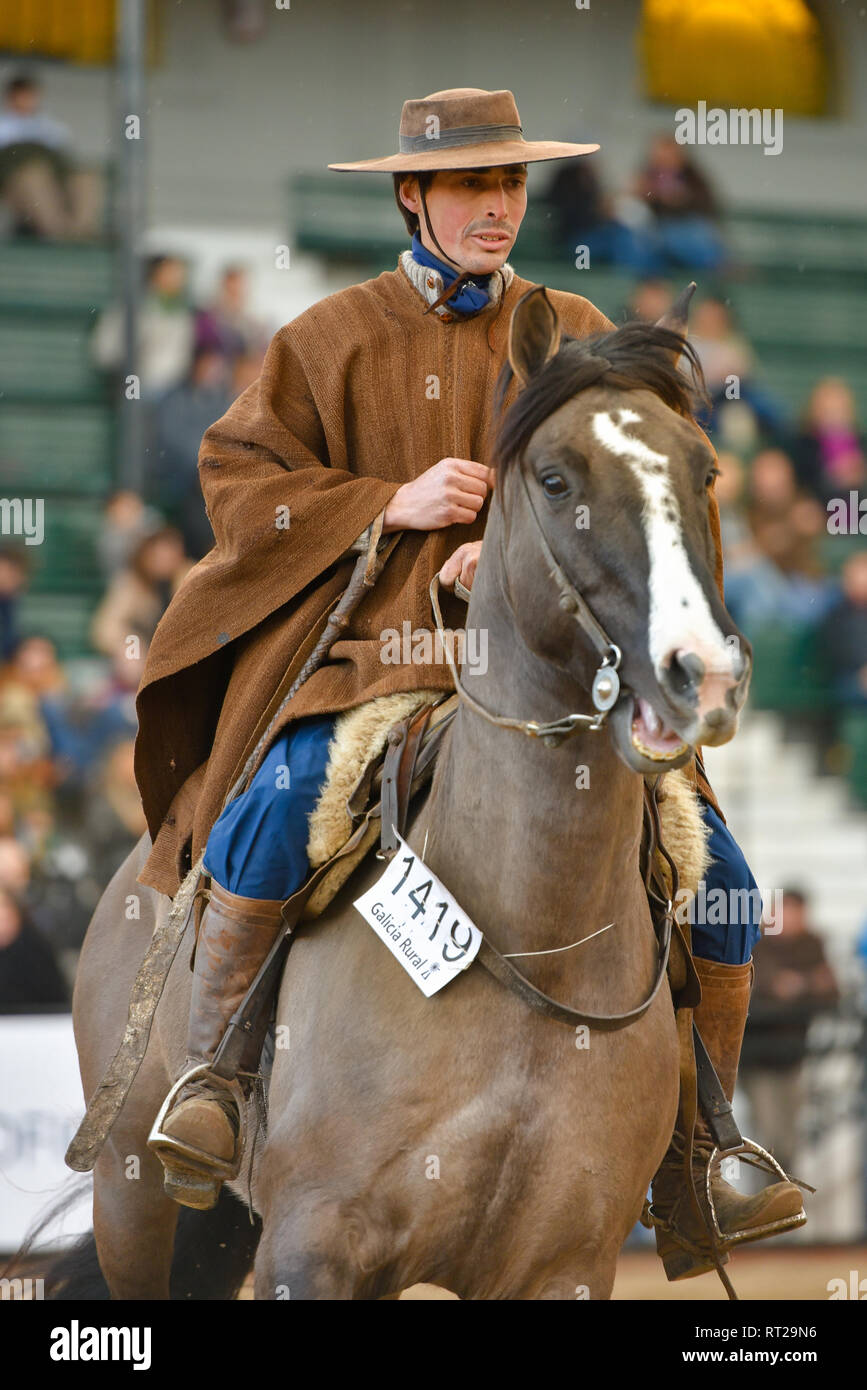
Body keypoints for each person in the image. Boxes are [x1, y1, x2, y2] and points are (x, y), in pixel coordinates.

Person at [134, 87, 803, 1274]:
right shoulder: (329, 335)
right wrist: (383, 505)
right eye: (470, 185)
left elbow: (642, 489)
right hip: (380, 667)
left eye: (510, 184)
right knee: (283, 807)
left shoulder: (576, 328)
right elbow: (239, 478)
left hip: (557, 685)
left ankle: (705, 1143)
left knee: (718, 870)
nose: (497, 206)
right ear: (414, 194)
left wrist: (525, 553)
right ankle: (219, 1083)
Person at [739, 890, 839, 1175]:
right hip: (757, 1060)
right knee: (768, 1138)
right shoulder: (755, 943)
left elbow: (830, 989)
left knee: (789, 1141)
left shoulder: (810, 945)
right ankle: (769, 1203)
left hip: (793, 1058)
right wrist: (787, 988)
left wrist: (797, 986)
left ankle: (784, 1200)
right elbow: (751, 993)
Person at [0, 72, 102, 241]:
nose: (26, 101)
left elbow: (65, 162)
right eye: (21, 96)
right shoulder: (3, 127)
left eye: (29, 96)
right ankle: (56, 233)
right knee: (34, 175)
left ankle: (80, 232)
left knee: (85, 177)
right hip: (15, 188)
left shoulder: (52, 129)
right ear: (11, 97)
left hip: (53, 183)